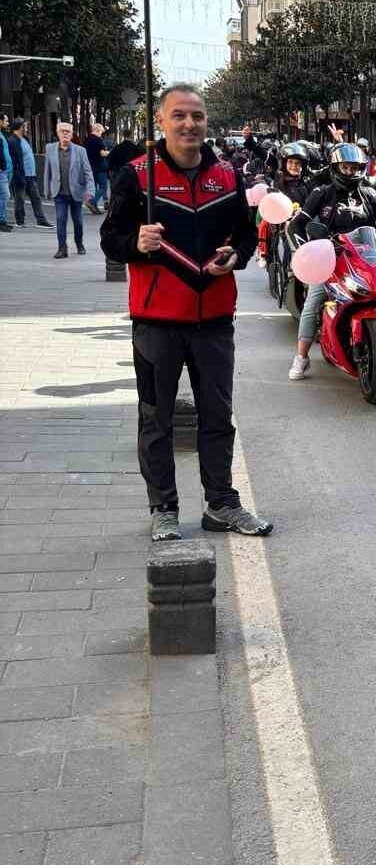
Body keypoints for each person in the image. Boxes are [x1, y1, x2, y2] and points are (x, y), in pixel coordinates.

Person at [99, 84, 272, 542]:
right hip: (156, 322)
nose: (189, 124)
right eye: (179, 115)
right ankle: (164, 509)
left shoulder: (228, 176)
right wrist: (136, 243)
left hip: (214, 319)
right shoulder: (137, 175)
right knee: (156, 419)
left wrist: (237, 255)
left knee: (218, 415)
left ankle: (222, 504)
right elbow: (110, 239)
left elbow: (247, 234)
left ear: (206, 121)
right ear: (161, 121)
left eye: (197, 116)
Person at [289, 143, 376, 381]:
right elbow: (296, 225)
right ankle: (301, 357)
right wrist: (305, 250)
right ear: (335, 167)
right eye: (346, 167)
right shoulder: (322, 193)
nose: (351, 172)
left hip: (366, 261)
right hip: (330, 259)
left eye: (355, 168)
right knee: (314, 301)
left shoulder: (369, 195)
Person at [44, 122, 96, 258]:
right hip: (59, 192)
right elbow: (47, 171)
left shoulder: (80, 151)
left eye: (68, 131)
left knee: (78, 221)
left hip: (76, 192)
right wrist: (46, 189)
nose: (65, 133)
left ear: (72, 134)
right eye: (62, 131)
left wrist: (90, 191)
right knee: (60, 219)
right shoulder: (50, 148)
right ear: (58, 133)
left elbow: (88, 172)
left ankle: (79, 243)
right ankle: (62, 248)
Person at [6, 121, 50, 228]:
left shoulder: (24, 139)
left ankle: (41, 220)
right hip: (20, 175)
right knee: (19, 199)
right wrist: (17, 175)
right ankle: (20, 221)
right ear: (20, 127)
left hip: (30, 175)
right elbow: (13, 160)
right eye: (25, 127)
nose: (26, 129)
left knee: (36, 198)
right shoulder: (12, 141)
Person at [85, 122, 113, 212]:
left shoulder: (87, 139)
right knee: (103, 187)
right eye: (101, 132)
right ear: (97, 130)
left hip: (90, 167)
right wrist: (110, 152)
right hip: (100, 167)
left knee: (94, 188)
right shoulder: (98, 140)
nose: (101, 134)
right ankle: (91, 202)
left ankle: (95, 208)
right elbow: (102, 153)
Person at [0, 126, 12, 232]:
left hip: (5, 170)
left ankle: (3, 221)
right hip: (2, 171)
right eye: (5, 120)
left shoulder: (2, 135)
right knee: (4, 195)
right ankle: (1, 221)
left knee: (3, 196)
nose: (7, 123)